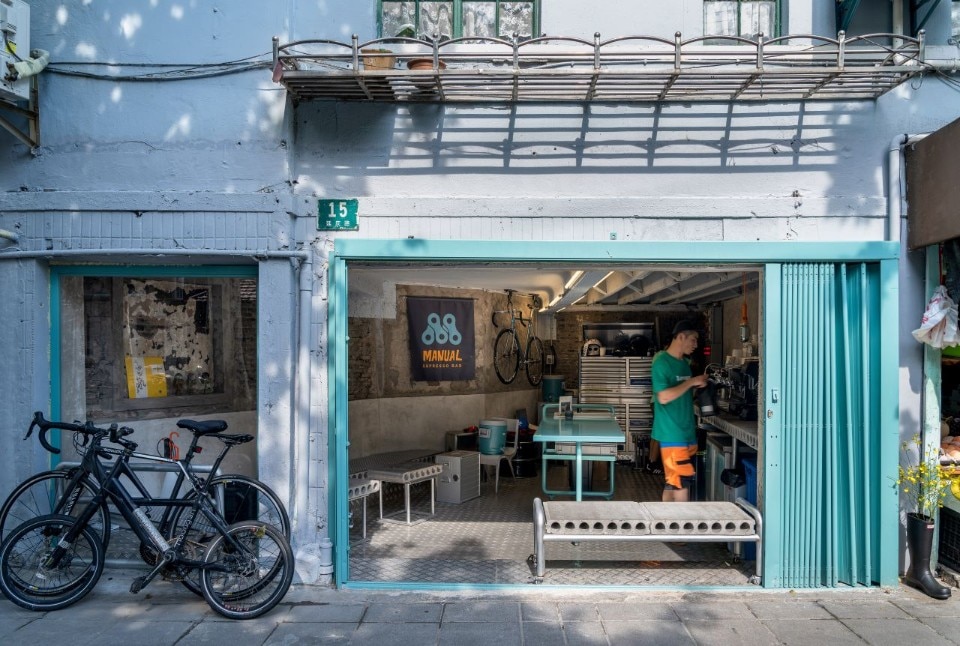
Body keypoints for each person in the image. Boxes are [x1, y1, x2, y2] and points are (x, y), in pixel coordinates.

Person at [651, 319, 708, 502]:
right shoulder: (661, 362)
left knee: (673, 482)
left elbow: (682, 395)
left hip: (686, 433)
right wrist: (691, 382)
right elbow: (663, 397)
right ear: (681, 337)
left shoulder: (684, 363)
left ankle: (663, 524)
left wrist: (697, 388)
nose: (696, 345)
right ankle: (682, 527)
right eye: (693, 339)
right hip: (671, 434)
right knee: (682, 483)